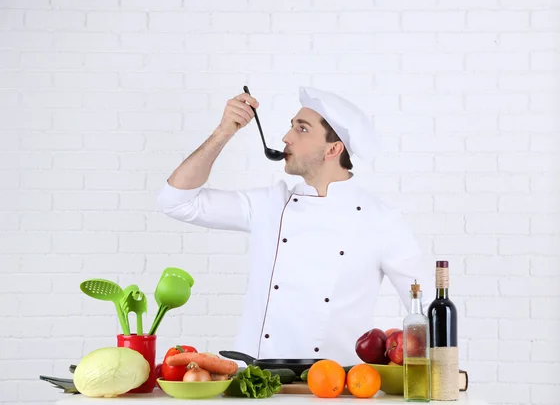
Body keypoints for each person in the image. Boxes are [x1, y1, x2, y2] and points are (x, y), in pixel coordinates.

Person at [156, 86, 434, 366]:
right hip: (253, 383)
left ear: (333, 149)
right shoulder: (270, 204)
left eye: (301, 129)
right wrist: (223, 132)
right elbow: (176, 201)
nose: (285, 137)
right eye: (292, 127)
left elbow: (427, 309)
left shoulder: (381, 221)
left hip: (334, 388)